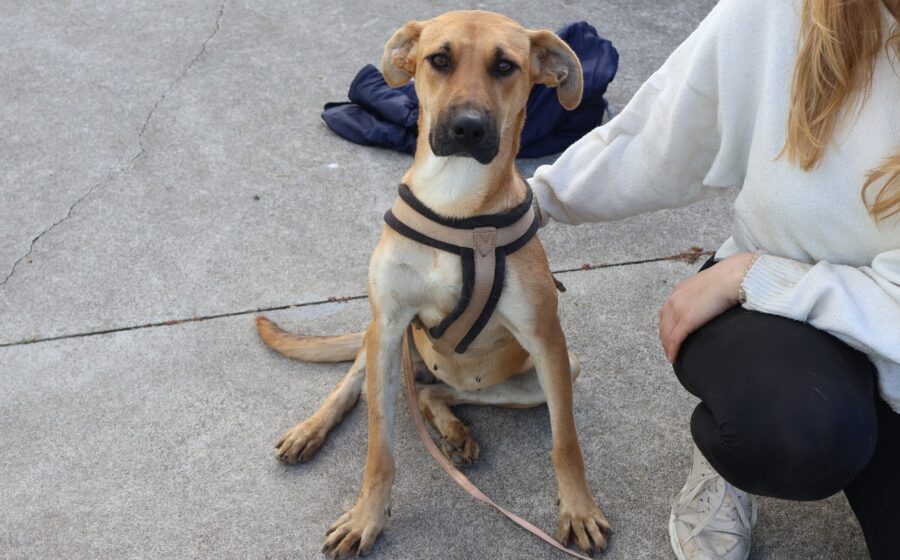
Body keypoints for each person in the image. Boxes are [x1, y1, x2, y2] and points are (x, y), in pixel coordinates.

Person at [527, 0, 900, 558]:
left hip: (839, 311)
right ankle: (730, 451)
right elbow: (665, 131)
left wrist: (760, 275)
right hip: (773, 318)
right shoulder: (783, 11)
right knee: (797, 432)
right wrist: (533, 202)